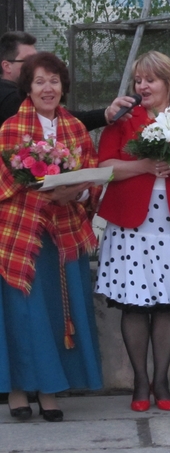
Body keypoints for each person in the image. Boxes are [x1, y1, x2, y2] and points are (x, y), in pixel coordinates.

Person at [94, 51, 170, 412]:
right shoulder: (122, 118)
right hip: (131, 226)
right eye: (138, 80)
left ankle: (161, 380)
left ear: (169, 82)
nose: (143, 86)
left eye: (150, 79)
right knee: (133, 306)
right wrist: (144, 166)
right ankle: (139, 381)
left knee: (167, 305)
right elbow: (104, 166)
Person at [0, 52, 103, 422]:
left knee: (59, 312)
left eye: (54, 81)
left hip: (64, 232)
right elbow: (4, 181)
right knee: (21, 313)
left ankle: (49, 391)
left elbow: (91, 173)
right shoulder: (10, 127)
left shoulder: (75, 127)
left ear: (63, 87)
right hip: (20, 234)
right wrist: (39, 189)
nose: (48, 88)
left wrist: (75, 191)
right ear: (27, 88)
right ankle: (16, 389)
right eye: (40, 81)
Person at [0, 31, 136, 128]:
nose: (34, 64)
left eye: (54, 81)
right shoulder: (10, 98)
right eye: (40, 82)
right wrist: (105, 114)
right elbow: (67, 120)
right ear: (6, 66)